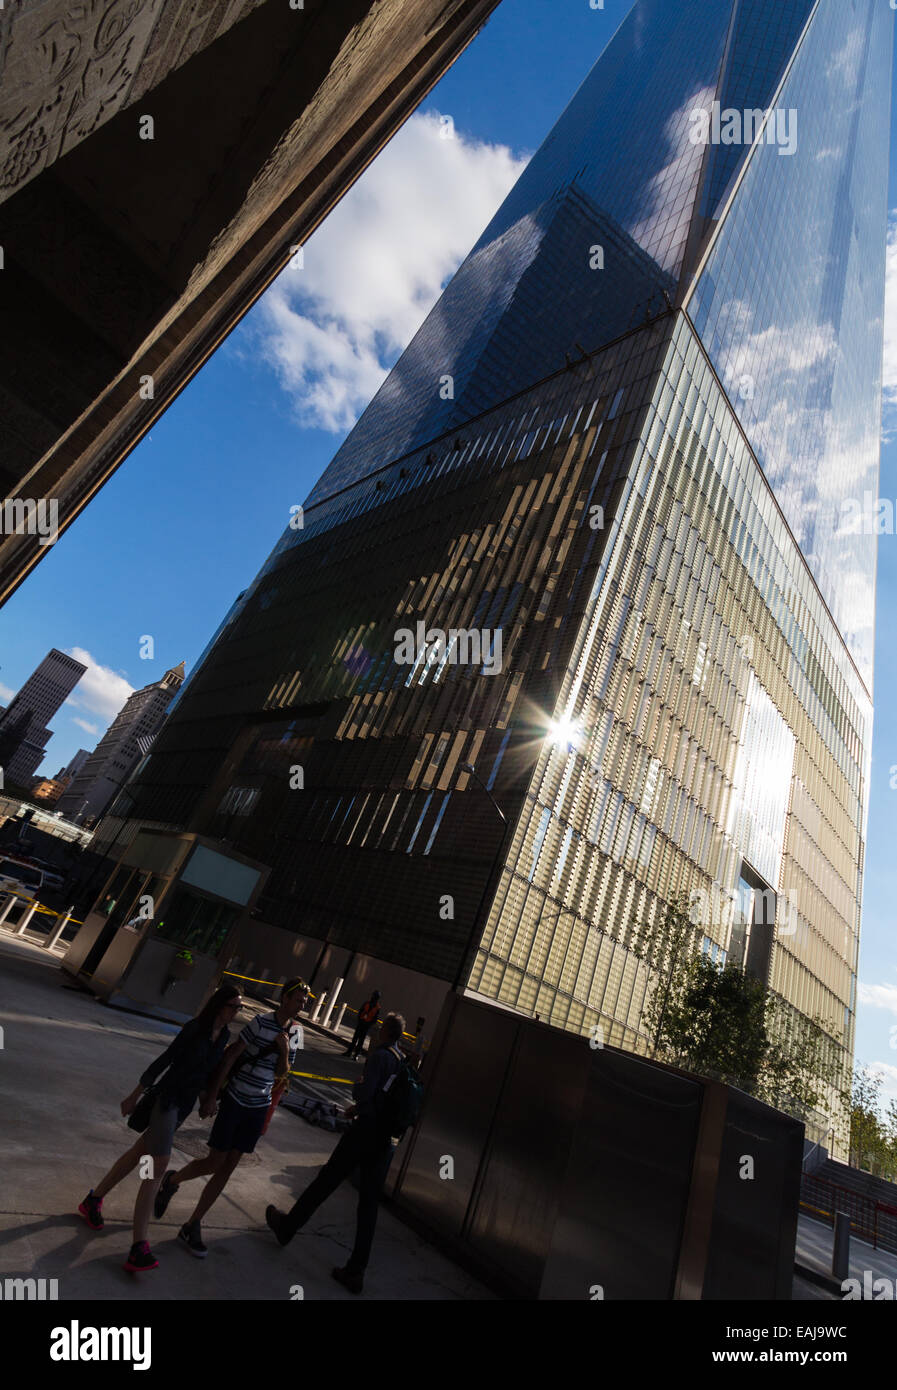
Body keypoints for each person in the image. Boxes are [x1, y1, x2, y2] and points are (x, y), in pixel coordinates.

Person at [78, 983, 242, 1273]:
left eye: (239, 1008)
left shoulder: (224, 1037)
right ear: (220, 1006)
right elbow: (164, 1061)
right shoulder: (194, 1029)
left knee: (138, 1154)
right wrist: (134, 1094)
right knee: (157, 1165)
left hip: (184, 1106)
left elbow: (205, 1075)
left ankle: (93, 1199)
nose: (237, 1012)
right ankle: (139, 1246)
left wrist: (208, 1099)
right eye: (234, 1007)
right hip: (165, 1102)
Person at [153, 976, 308, 1256]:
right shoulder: (260, 1022)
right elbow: (231, 1056)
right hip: (236, 1098)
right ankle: (172, 1181)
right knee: (215, 1161)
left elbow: (284, 1074)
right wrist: (212, 1096)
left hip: (258, 1105)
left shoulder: (296, 1033)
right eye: (298, 1000)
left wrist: (284, 1052)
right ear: (285, 998)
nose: (301, 1005)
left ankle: (193, 1223)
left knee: (229, 1166)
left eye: (304, 1002)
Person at [266, 1012, 406, 1294]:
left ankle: (288, 1227)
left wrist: (357, 1094)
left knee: (326, 1180)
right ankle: (356, 1270)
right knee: (368, 1206)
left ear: (384, 1031)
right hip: (383, 1142)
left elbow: (366, 1094)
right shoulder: (402, 1061)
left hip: (363, 1134)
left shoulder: (380, 1056)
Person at [343, 990, 381, 1059]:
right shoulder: (366, 1003)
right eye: (373, 996)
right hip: (361, 1023)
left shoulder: (377, 1008)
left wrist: (369, 1024)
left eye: (375, 996)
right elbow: (360, 1012)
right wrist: (360, 1020)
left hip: (366, 1026)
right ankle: (349, 1052)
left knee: (361, 1041)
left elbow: (375, 1019)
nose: (373, 997)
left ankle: (356, 1055)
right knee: (355, 1039)